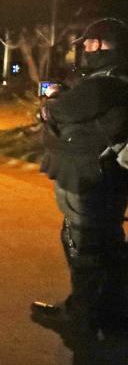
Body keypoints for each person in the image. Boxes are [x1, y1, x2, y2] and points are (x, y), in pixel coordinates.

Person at [33, 18, 128, 337]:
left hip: (89, 182)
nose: (84, 50)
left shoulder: (104, 84)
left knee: (84, 248)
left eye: (87, 44)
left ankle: (81, 316)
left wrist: (50, 105)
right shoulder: (116, 80)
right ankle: (111, 312)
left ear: (100, 45)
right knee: (108, 247)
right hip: (106, 180)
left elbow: (59, 111)